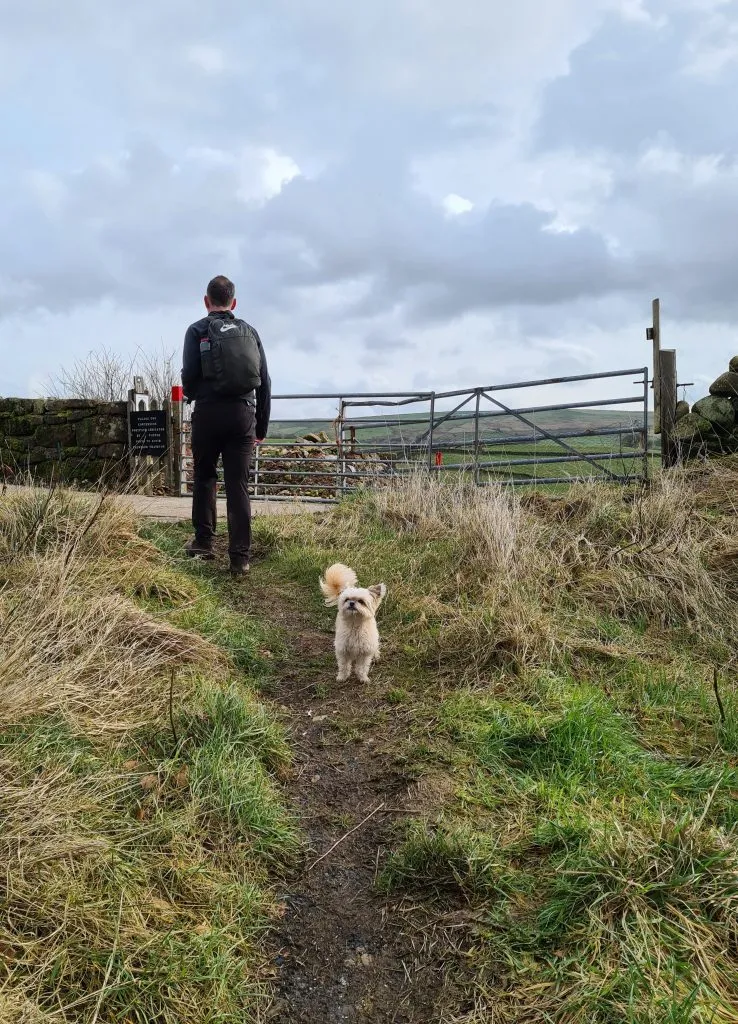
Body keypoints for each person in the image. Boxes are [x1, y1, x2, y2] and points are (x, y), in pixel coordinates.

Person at [181, 275, 271, 575]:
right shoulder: (250, 331)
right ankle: (239, 559)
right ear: (233, 302)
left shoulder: (196, 330)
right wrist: (261, 427)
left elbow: (189, 378)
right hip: (242, 415)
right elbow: (265, 381)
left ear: (206, 301)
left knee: (205, 476)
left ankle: (204, 543)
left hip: (207, 414)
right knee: (238, 485)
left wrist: (197, 394)